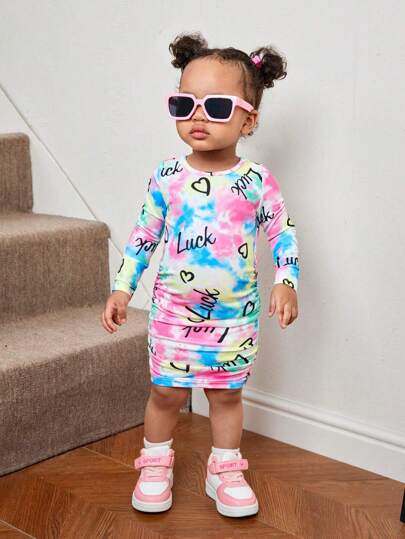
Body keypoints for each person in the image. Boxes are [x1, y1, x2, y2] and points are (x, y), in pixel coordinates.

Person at [101, 31, 300, 518]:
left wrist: (286, 281)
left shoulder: (256, 182)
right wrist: (122, 288)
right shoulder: (167, 177)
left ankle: (224, 469)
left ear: (248, 119)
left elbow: (283, 233)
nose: (197, 117)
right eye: (184, 104)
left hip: (234, 317)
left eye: (216, 106)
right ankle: (155, 464)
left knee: (226, 395)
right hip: (174, 315)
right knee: (166, 392)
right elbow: (144, 235)